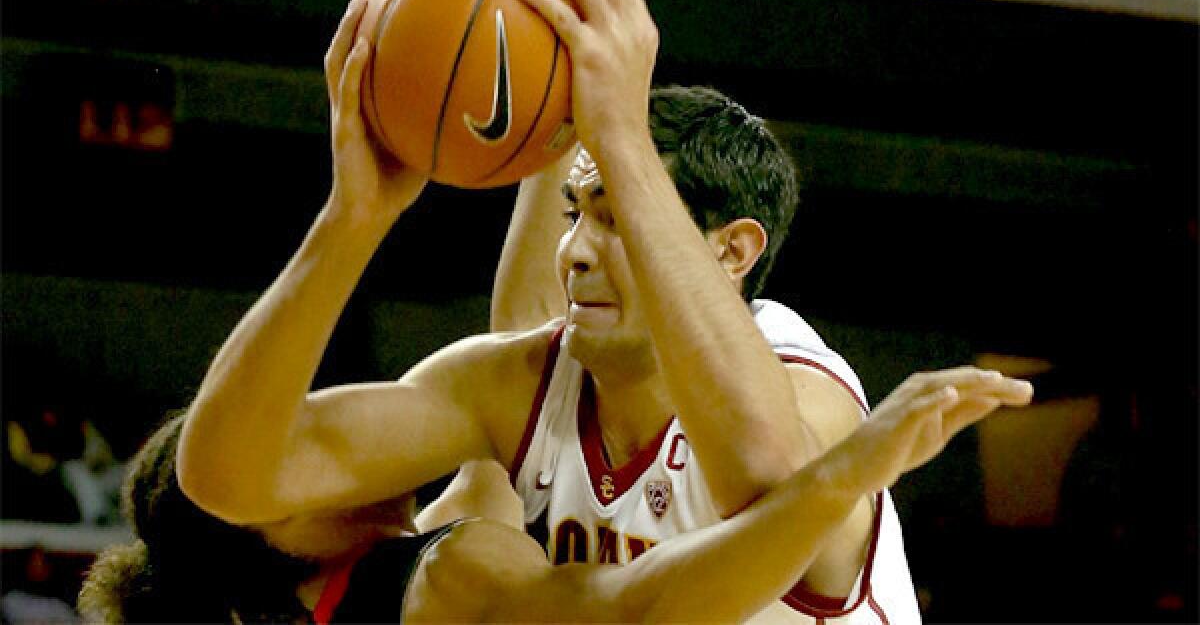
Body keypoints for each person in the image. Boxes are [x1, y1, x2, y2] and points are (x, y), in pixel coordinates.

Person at [175, 0, 1005, 621]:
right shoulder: (525, 384)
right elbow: (232, 477)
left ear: (732, 251)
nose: (574, 249)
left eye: (614, 215)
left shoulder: (798, 378)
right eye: (577, 215)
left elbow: (766, 479)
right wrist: (352, 219)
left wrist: (617, 135)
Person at [81, 370, 1031, 623]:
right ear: (262, 529)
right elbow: (651, 610)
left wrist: (553, 158)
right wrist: (845, 474)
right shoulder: (443, 579)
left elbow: (530, 378)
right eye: (284, 468)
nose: (322, 451)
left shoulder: (436, 544)